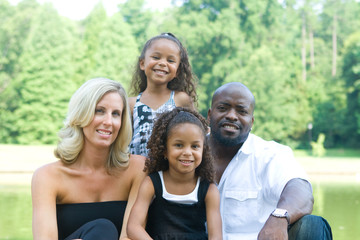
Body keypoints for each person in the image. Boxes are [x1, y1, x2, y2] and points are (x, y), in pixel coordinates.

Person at [207, 82, 332, 240]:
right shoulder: (187, 154)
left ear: (251, 122)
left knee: (311, 225)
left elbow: (301, 191)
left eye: (241, 111)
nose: (232, 115)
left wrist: (280, 216)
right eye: (223, 108)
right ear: (210, 115)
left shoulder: (270, 155)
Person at [31, 78, 147, 240]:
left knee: (102, 230)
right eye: (99, 111)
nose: (108, 122)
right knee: (102, 229)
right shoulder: (47, 177)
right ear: (81, 113)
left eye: (115, 114)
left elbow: (130, 236)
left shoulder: (137, 169)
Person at [127, 107, 222, 240]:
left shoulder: (209, 190)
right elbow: (133, 227)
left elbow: (216, 237)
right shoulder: (152, 183)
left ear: (204, 150)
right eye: (179, 145)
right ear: (164, 150)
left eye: (195, 146)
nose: (187, 152)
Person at [128, 32, 197, 157]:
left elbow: (195, 133)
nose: (163, 63)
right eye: (156, 57)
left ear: (177, 71)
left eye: (170, 60)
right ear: (142, 63)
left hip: (168, 173)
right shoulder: (132, 104)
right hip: (137, 171)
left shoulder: (180, 99)